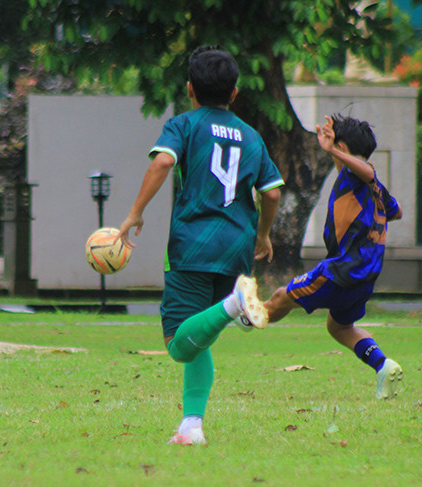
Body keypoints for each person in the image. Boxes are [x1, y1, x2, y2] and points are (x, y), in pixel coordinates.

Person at [116, 45, 284, 445]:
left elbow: (161, 163)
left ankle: (234, 304)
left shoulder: (185, 125)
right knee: (200, 336)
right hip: (237, 247)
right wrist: (262, 234)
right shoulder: (251, 135)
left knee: (177, 344)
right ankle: (191, 426)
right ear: (235, 92)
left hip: (193, 244)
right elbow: (273, 194)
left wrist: (135, 213)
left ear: (190, 89)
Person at [251, 114, 404, 399]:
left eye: (334, 143)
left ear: (342, 147)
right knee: (339, 327)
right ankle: (383, 365)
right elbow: (396, 211)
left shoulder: (358, 175)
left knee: (280, 297)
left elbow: (367, 173)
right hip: (366, 274)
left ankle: (234, 315)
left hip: (343, 270)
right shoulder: (374, 188)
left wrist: (331, 150)